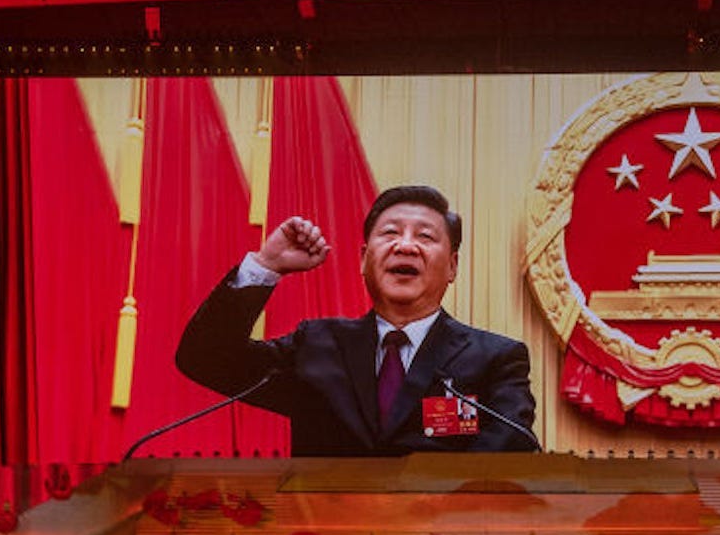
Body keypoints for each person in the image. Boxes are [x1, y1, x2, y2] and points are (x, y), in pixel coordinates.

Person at [176, 185, 536, 456]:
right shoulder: (317, 346)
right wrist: (266, 267)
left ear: (453, 266)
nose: (405, 246)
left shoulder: (495, 359)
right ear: (364, 259)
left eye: (425, 236)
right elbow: (206, 359)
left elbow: (512, 447)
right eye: (390, 233)